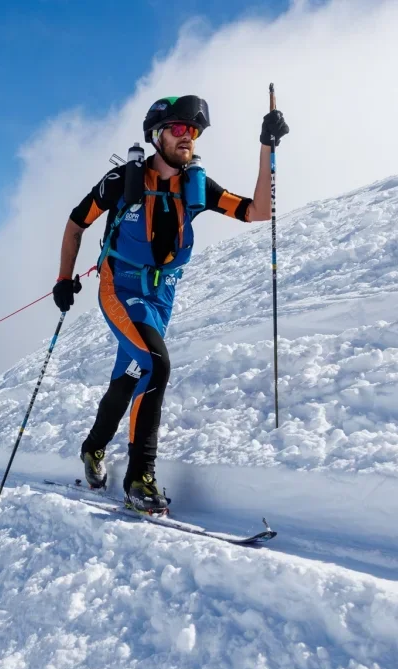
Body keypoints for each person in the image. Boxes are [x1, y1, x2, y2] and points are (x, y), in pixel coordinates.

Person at [53, 94, 288, 513]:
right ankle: (139, 477)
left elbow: (257, 212)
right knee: (155, 365)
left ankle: (92, 448)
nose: (188, 137)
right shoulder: (120, 182)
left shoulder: (195, 187)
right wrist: (63, 279)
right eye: (179, 129)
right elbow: (75, 224)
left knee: (128, 376)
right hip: (120, 289)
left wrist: (266, 146)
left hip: (161, 297)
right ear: (156, 135)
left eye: (193, 131)